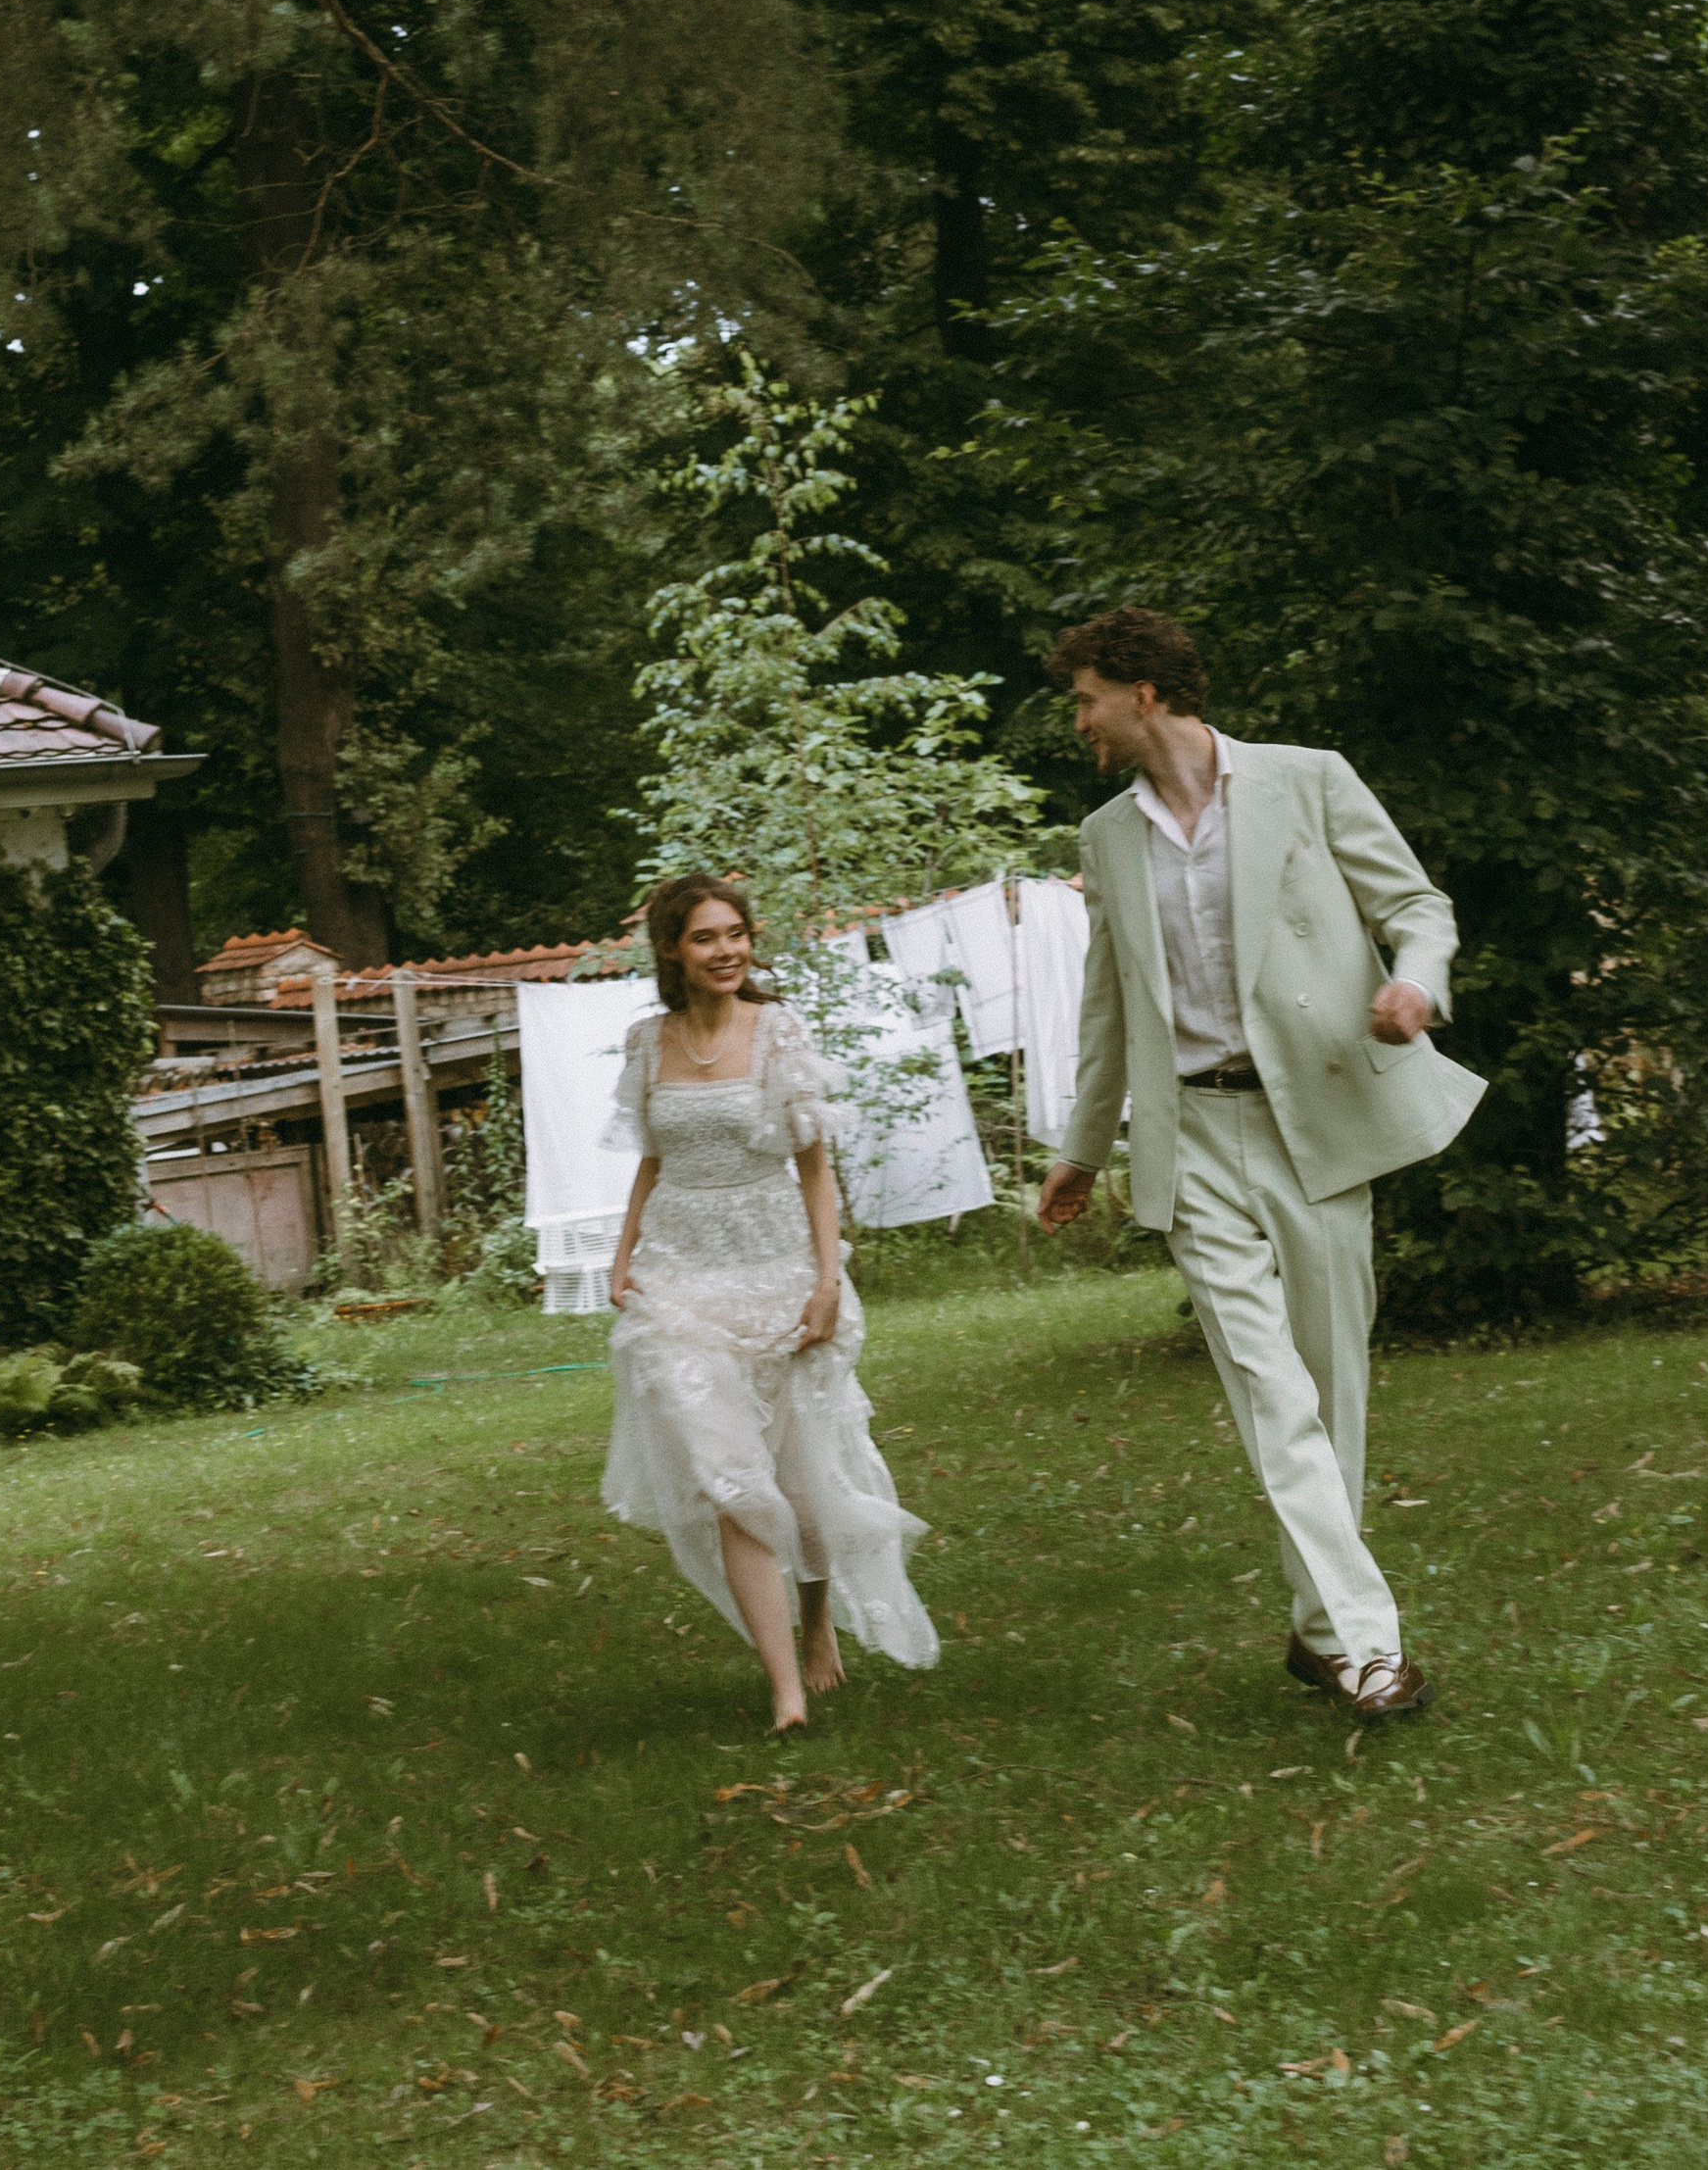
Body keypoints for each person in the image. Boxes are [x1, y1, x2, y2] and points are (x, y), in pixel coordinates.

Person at [1037, 610, 1483, 1727]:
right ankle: (1371, 1649)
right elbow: (1108, 1001)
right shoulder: (1106, 836)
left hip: (1318, 1120)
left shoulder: (1306, 779)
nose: (1077, 718)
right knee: (1269, 1391)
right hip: (1191, 1137)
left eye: (1086, 694)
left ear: (1144, 692)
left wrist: (1416, 982)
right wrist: (1082, 1147)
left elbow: (1416, 906)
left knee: (1332, 1392)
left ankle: (1316, 1625)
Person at [602, 873, 939, 1731]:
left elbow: (816, 1167)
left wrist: (826, 1281)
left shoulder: (781, 1030)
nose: (727, 950)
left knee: (800, 1471)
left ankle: (819, 1618)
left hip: (778, 1264)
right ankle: (784, 1689)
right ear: (674, 950)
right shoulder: (649, 1041)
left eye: (737, 933)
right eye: (707, 937)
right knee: (728, 1473)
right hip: (681, 1272)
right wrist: (624, 1250)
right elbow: (652, 1157)